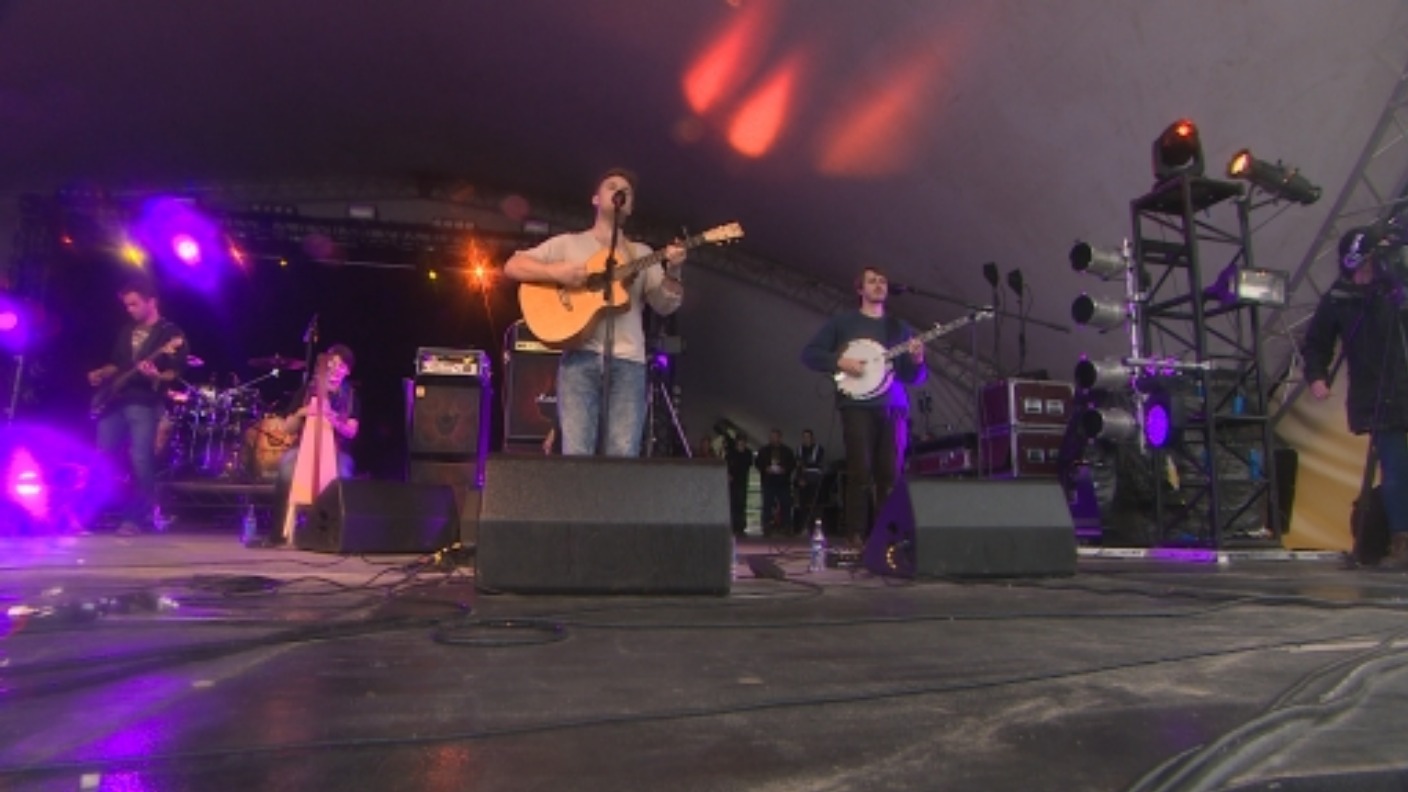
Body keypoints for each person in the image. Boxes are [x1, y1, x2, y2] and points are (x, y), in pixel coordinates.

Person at [504, 168, 686, 457]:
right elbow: (513, 266)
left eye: (627, 191)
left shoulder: (641, 253)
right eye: (612, 186)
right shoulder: (568, 244)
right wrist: (557, 272)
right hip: (579, 358)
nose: (619, 192)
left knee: (622, 456)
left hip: (629, 363)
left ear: (630, 206)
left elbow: (665, 305)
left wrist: (674, 270)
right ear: (596, 198)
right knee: (577, 455)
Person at [1303, 226, 1408, 567]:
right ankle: (1401, 542)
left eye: (1367, 266)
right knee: (1395, 469)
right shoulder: (1338, 297)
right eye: (1356, 268)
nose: (1362, 275)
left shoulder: (1396, 288)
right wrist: (1317, 377)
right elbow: (1316, 342)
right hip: (1376, 396)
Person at [802, 265, 926, 546]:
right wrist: (840, 361)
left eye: (883, 281)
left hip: (893, 406)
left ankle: (886, 538)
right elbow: (809, 354)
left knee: (890, 475)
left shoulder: (899, 328)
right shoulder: (843, 324)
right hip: (856, 405)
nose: (879, 285)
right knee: (860, 471)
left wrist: (917, 360)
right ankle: (855, 536)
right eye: (872, 281)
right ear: (860, 289)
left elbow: (914, 378)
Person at [87, 280, 188, 535]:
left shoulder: (170, 334)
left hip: (144, 403)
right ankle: (96, 511)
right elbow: (118, 364)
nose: (129, 309)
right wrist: (101, 373)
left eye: (134, 304)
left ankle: (136, 517)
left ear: (151, 302)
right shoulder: (127, 330)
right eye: (126, 305)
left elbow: (174, 373)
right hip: (115, 401)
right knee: (103, 455)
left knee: (141, 459)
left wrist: (156, 375)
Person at [275, 344, 359, 534]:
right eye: (332, 364)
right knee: (286, 466)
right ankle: (279, 531)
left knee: (343, 472)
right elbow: (287, 427)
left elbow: (352, 432)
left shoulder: (351, 396)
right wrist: (303, 412)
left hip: (338, 451)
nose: (335, 369)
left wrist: (331, 417)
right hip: (303, 449)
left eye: (341, 366)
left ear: (347, 371)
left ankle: (333, 531)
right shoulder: (307, 390)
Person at [754, 428, 797, 536]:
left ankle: (786, 525)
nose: (774, 439)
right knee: (767, 504)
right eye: (772, 437)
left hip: (783, 481)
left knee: (785, 503)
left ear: (780, 438)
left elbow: (792, 464)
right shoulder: (763, 450)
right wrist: (765, 468)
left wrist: (785, 469)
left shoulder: (787, 451)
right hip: (768, 481)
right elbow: (758, 463)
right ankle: (767, 526)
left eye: (776, 437)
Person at [794, 428, 826, 532]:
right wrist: (800, 478)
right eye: (804, 437)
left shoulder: (819, 449)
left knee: (816, 504)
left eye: (808, 437)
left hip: (815, 479)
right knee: (803, 504)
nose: (806, 439)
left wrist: (806, 464)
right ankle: (804, 527)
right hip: (803, 478)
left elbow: (817, 463)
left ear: (812, 438)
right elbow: (798, 465)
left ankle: (817, 528)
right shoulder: (799, 449)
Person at [724, 433, 754, 539]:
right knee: (733, 503)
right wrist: (728, 474)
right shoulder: (731, 453)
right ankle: (733, 525)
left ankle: (741, 526)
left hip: (742, 481)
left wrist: (742, 453)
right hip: (732, 481)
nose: (741, 444)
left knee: (741, 504)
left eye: (743, 443)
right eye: (739, 442)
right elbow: (726, 464)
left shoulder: (748, 453)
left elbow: (748, 464)